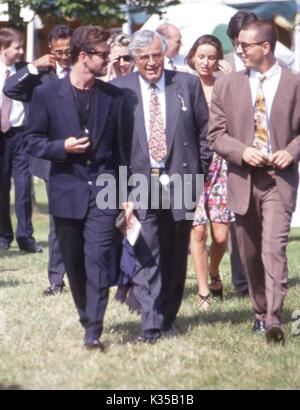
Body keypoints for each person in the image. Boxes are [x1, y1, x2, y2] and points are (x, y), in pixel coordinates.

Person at [23, 25, 132, 351]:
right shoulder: (46, 94)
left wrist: (126, 195)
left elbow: (123, 151)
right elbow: (32, 141)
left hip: (104, 190)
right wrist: (63, 148)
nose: (109, 59)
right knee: (74, 262)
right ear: (84, 56)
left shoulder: (114, 96)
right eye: (102, 54)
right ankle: (86, 314)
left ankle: (93, 330)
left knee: (98, 258)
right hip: (65, 191)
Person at [113, 30, 211, 343]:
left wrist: (199, 176)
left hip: (183, 181)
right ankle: (151, 325)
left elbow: (205, 135)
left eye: (158, 55)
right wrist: (121, 194)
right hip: (141, 182)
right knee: (147, 252)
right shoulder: (119, 90)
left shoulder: (187, 83)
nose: (153, 62)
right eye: (145, 58)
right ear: (134, 60)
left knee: (174, 253)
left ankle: (168, 316)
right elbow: (113, 147)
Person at [208, 20, 300, 345]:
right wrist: (242, 151)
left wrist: (291, 151)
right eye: (238, 44)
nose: (239, 50)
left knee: (273, 250)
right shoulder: (226, 85)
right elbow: (215, 135)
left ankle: (274, 319)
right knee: (249, 253)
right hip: (242, 180)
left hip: (279, 181)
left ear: (266, 47)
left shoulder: (295, 83)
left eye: (245, 45)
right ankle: (259, 312)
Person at [4, 24, 73, 295]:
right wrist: (33, 66)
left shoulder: (85, 71)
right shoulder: (39, 76)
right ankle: (56, 279)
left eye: (69, 51)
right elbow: (10, 89)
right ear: (51, 51)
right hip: (52, 157)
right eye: (60, 52)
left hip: (83, 155)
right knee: (57, 222)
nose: (65, 56)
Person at [186, 35, 235, 311]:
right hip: (191, 164)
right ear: (193, 56)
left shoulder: (225, 86)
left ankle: (215, 271)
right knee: (197, 233)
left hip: (220, 164)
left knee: (220, 236)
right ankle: (203, 290)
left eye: (212, 57)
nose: (206, 62)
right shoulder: (183, 84)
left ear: (219, 61)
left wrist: (233, 80)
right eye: (201, 56)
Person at [0, 27, 42, 253]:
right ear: (2, 48)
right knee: (1, 187)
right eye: (16, 47)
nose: (20, 51)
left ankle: (26, 237)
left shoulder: (27, 70)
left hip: (21, 135)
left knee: (24, 186)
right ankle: (3, 236)